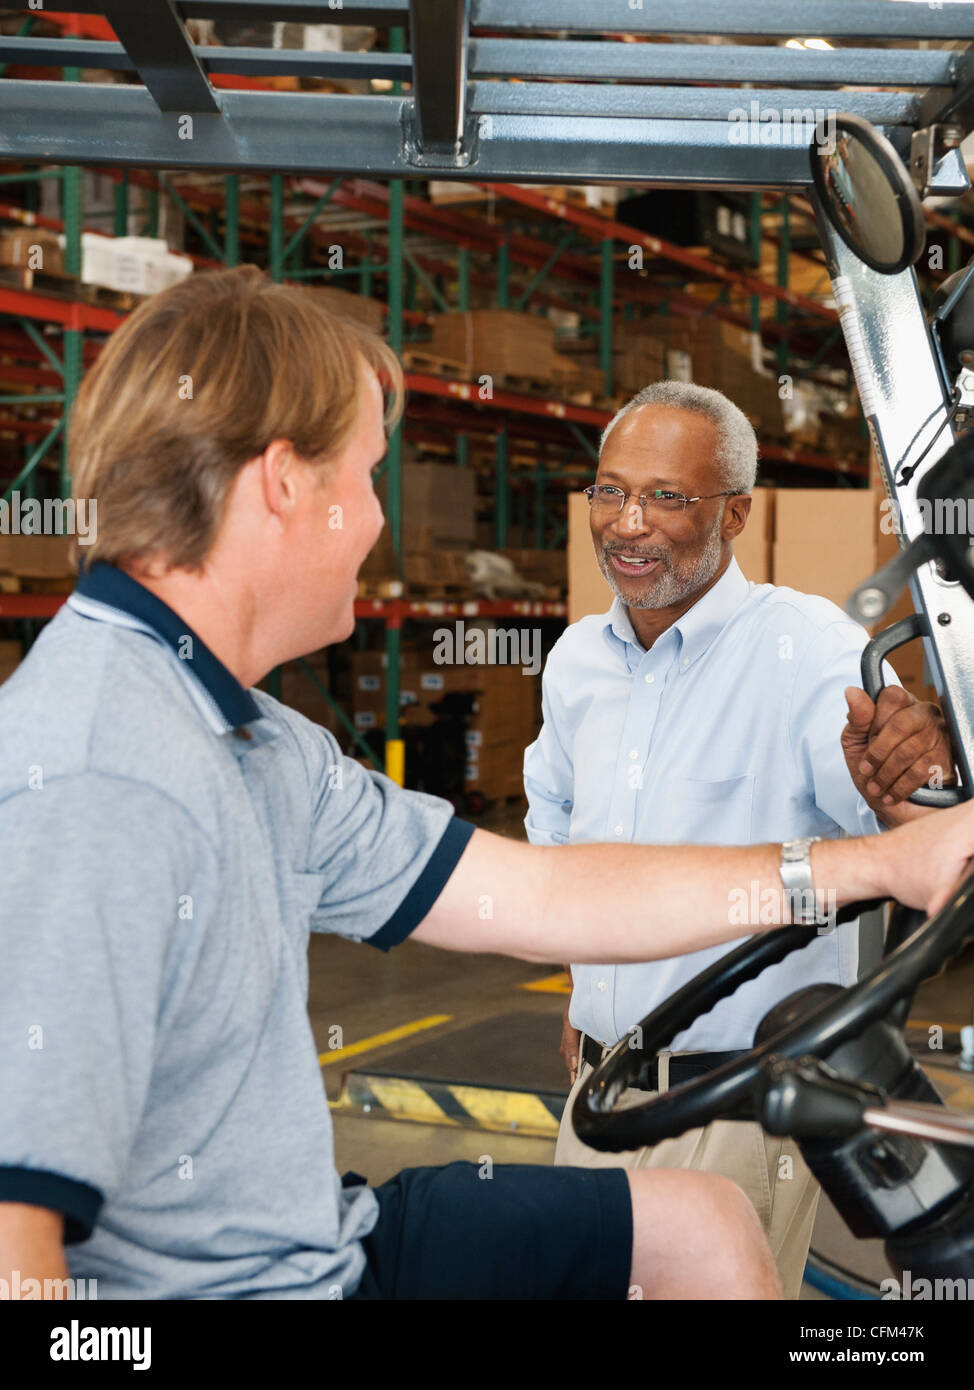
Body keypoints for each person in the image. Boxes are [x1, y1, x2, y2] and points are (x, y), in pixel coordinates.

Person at [0, 268, 968, 1303]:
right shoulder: (103, 778)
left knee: (704, 1222)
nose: (378, 522)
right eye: (368, 476)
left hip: (318, 1232)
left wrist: (873, 857)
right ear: (284, 484)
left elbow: (548, 891)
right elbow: (20, 1255)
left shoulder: (255, 742)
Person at [524, 380, 954, 1298]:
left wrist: (902, 779)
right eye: (609, 491)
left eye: (667, 498)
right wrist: (585, 984)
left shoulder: (808, 651)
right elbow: (558, 829)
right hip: (596, 1093)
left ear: (736, 513)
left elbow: (898, 824)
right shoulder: (575, 664)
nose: (628, 524)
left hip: (736, 1110)